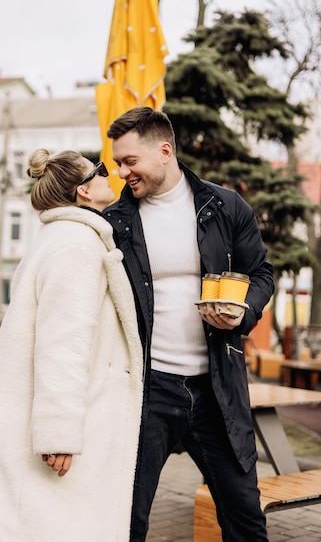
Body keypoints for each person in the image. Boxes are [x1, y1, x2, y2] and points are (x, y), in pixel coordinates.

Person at [103, 106, 274, 542]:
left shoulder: (225, 205)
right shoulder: (115, 223)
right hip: (147, 389)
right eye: (118, 162)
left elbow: (261, 274)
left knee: (244, 518)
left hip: (217, 387)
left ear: (164, 151)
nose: (122, 172)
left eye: (129, 161)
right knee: (124, 518)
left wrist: (244, 312)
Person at [0, 150, 143, 542]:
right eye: (100, 171)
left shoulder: (62, 237)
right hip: (57, 424)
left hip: (31, 410)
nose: (109, 174)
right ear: (83, 191)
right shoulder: (77, 246)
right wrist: (59, 434)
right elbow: (63, 343)